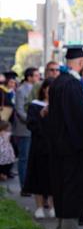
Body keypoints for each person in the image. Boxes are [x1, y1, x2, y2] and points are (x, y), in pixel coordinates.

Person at [47, 45, 83, 229]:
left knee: (62, 186)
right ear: (81, 62)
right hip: (73, 148)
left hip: (60, 146)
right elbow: (80, 116)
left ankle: (62, 228)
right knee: (71, 187)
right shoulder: (73, 85)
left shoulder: (59, 82)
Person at [24, 78, 55, 219]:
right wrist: (41, 116)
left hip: (55, 147)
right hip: (39, 147)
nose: (49, 91)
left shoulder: (59, 106)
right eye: (47, 88)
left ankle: (53, 205)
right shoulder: (35, 106)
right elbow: (31, 125)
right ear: (43, 89)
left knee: (53, 177)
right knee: (38, 177)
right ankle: (40, 207)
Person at [13, 67, 40, 196]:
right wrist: (32, 120)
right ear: (29, 77)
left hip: (34, 129)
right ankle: (24, 186)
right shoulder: (21, 90)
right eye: (36, 75)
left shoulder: (37, 89)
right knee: (24, 158)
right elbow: (19, 109)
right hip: (24, 129)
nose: (38, 78)